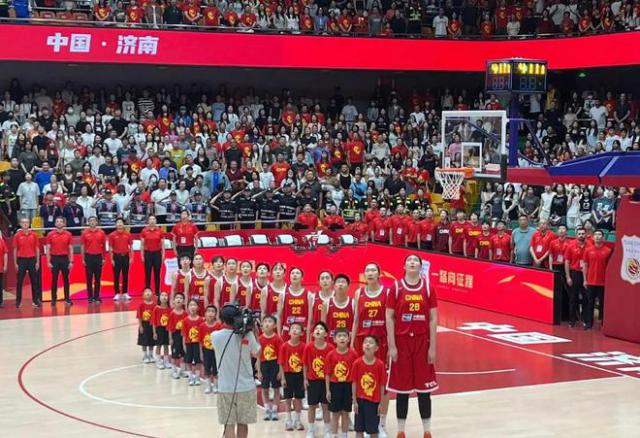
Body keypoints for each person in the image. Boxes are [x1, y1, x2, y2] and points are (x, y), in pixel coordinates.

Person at [386, 254, 438, 438]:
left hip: (422, 342)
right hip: (402, 343)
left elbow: (433, 319)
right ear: (404, 266)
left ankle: (427, 431)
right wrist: (392, 345)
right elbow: (389, 318)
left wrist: (433, 347)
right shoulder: (396, 287)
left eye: (416, 260)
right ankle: (401, 431)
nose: (412, 262)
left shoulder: (428, 288)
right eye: (409, 260)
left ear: (420, 266)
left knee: (424, 390)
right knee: (402, 390)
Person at [351, 263, 389, 436]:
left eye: (373, 270)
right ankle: (364, 420)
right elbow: (356, 321)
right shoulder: (359, 293)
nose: (370, 273)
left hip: (380, 344)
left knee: (382, 385)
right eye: (367, 270)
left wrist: (391, 345)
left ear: (379, 274)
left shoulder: (386, 293)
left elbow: (391, 320)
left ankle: (381, 423)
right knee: (362, 382)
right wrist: (352, 343)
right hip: (362, 342)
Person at [213, 303, 261, 438]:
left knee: (228, 424)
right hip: (246, 387)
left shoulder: (215, 336)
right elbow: (257, 352)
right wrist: (255, 333)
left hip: (225, 388)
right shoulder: (248, 335)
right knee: (242, 423)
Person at [325, 327, 358, 438]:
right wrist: (328, 390)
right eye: (339, 336)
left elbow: (356, 376)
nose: (342, 338)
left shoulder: (353, 354)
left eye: (344, 336)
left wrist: (355, 393)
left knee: (345, 413)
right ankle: (334, 435)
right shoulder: (330, 355)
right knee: (335, 414)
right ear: (334, 339)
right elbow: (327, 374)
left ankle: (344, 435)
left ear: (348, 339)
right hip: (335, 386)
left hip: (348, 386)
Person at [352, 336, 386, 438]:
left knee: (373, 430)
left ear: (376, 348)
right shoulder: (357, 363)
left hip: (373, 403)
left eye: (371, 342)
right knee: (359, 429)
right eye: (365, 342)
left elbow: (382, 385)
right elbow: (354, 383)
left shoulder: (380, 364)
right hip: (360, 401)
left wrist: (381, 403)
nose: (367, 344)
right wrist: (354, 401)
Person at [303, 321, 333, 438]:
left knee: (325, 406)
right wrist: (305, 379)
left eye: (321, 329)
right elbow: (305, 364)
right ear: (313, 333)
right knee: (312, 406)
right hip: (312, 381)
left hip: (325, 382)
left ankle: (327, 430)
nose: (318, 330)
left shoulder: (330, 348)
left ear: (326, 334)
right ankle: (311, 430)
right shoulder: (308, 347)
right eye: (316, 329)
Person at [582, 230, 612, 330]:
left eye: (600, 235)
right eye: (596, 235)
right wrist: (585, 280)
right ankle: (589, 323)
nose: (598, 236)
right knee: (590, 303)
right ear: (593, 237)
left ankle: (604, 323)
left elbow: (610, 267)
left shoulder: (608, 251)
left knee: (603, 304)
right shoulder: (588, 250)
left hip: (603, 282)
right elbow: (585, 265)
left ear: (603, 237)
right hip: (591, 281)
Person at [279, 322, 306, 431]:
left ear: (302, 333)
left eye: (297, 328)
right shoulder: (284, 346)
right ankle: (288, 420)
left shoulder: (304, 346)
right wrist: (283, 378)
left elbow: (305, 364)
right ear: (289, 332)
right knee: (288, 398)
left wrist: (305, 379)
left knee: (298, 398)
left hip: (299, 375)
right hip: (288, 374)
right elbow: (281, 363)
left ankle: (298, 420)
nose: (295, 330)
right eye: (292, 328)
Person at [257, 315, 283, 422]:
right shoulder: (260, 339)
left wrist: (280, 371)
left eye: (270, 321)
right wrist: (259, 371)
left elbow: (281, 357)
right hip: (264, 365)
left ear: (275, 325)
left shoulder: (278, 339)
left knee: (276, 388)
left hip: (275, 364)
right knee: (265, 388)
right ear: (262, 325)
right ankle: (267, 409)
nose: (267, 323)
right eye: (265, 321)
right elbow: (258, 357)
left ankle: (275, 410)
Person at [45, 216, 73, 306]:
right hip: (54, 259)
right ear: (55, 223)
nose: (59, 223)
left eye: (61, 221)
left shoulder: (68, 234)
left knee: (66, 280)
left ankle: (67, 299)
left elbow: (70, 248)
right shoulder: (50, 234)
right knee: (54, 280)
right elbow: (48, 249)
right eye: (57, 221)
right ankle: (53, 299)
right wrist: (48, 261)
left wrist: (71, 261)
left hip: (65, 259)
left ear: (64, 223)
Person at [564, 227, 589, 327]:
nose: (581, 235)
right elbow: (567, 262)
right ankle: (572, 320)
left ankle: (585, 318)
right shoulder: (570, 246)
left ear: (586, 235)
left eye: (583, 233)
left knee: (586, 298)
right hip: (575, 273)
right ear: (576, 235)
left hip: (586, 274)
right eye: (579, 234)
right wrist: (568, 277)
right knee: (573, 298)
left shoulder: (590, 246)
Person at [278, 267, 311, 342]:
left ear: (302, 278)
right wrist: (279, 335)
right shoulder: (283, 294)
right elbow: (279, 317)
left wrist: (308, 338)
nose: (295, 275)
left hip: (303, 332)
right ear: (289, 277)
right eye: (292, 273)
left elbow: (310, 319)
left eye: (297, 273)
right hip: (287, 331)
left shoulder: (308, 294)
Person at [80, 216, 107, 304]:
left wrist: (104, 258)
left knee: (98, 278)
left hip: (98, 257)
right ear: (88, 222)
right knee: (89, 278)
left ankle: (97, 296)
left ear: (96, 222)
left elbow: (104, 246)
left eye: (94, 220)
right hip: (89, 258)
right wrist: (83, 258)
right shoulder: (84, 233)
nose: (92, 222)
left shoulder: (101, 233)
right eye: (90, 221)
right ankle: (90, 297)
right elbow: (82, 247)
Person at [322, 274, 354, 347]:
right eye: (338, 282)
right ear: (334, 286)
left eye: (343, 282)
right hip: (331, 343)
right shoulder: (326, 303)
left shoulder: (353, 303)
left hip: (348, 344)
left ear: (348, 287)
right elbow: (323, 327)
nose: (340, 284)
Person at [199, 305, 222, 394]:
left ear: (216, 314)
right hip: (206, 351)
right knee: (207, 368)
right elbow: (200, 341)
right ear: (205, 314)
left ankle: (216, 386)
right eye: (208, 311)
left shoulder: (219, 326)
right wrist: (201, 353)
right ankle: (208, 386)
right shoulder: (202, 326)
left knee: (216, 369)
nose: (210, 313)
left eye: (213, 311)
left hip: (216, 351)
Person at [109, 217, 133, 302]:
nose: (119, 224)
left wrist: (131, 257)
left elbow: (131, 247)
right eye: (118, 222)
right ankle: (117, 293)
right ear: (116, 225)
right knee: (116, 275)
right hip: (116, 257)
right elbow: (110, 248)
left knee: (125, 275)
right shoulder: (112, 235)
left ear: (123, 224)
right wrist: (111, 259)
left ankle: (125, 292)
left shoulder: (128, 234)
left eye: (121, 222)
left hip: (125, 256)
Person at [140, 215, 165, 297]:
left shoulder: (160, 231)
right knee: (148, 273)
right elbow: (142, 244)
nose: (152, 221)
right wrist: (142, 255)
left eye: (153, 219)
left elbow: (163, 244)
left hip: (157, 254)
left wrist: (163, 254)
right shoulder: (144, 231)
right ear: (148, 221)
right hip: (147, 254)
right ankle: (147, 291)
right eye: (150, 219)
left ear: (156, 221)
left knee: (157, 273)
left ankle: (157, 292)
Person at [182, 299, 204, 386]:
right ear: (187, 307)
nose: (192, 307)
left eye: (194, 305)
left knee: (198, 361)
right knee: (188, 361)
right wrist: (184, 345)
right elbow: (184, 334)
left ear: (198, 307)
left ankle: (197, 377)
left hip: (198, 344)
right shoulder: (185, 320)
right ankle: (190, 377)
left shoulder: (201, 320)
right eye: (191, 305)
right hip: (188, 343)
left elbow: (202, 334)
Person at [168, 292, 187, 379]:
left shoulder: (185, 313)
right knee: (174, 355)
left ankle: (182, 370)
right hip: (175, 335)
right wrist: (170, 338)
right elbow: (170, 327)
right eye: (177, 298)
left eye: (181, 298)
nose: (178, 299)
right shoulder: (172, 313)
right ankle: (174, 370)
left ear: (184, 301)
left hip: (183, 336)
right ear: (173, 301)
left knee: (183, 354)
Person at [152, 291, 171, 368]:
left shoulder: (170, 309)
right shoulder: (156, 308)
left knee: (166, 346)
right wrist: (154, 333)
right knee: (159, 345)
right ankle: (158, 361)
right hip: (159, 329)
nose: (164, 297)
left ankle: (166, 361)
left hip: (167, 329)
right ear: (159, 298)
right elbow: (153, 322)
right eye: (162, 295)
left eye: (166, 295)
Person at [137, 288, 157, 363]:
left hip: (152, 325)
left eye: (149, 291)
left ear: (152, 294)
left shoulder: (155, 305)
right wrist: (140, 326)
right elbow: (139, 316)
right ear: (143, 295)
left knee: (152, 341)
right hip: (144, 324)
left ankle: (151, 355)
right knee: (144, 341)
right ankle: (145, 355)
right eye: (146, 292)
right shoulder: (141, 305)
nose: (148, 293)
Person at [0, 232, 7, 308]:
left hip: (0, 267)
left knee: (0, 286)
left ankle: (0, 302)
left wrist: (5, 265)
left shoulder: (2, 241)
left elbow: (5, 253)